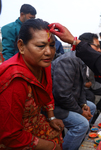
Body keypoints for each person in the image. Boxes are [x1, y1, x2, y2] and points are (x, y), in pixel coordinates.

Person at [0, 19, 64, 150]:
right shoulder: (15, 80)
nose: (49, 52)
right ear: (21, 46)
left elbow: (47, 91)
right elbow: (10, 135)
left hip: (34, 120)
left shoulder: (42, 64)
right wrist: (52, 147)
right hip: (13, 135)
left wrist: (51, 118)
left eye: (51, 45)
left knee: (58, 133)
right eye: (41, 46)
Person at [51, 48, 96, 150]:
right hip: (56, 105)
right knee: (82, 124)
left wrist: (84, 105)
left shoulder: (82, 61)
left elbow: (81, 89)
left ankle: (80, 140)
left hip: (68, 101)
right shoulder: (68, 61)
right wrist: (80, 111)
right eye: (96, 47)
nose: (99, 50)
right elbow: (62, 96)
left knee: (91, 106)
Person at [79, 32, 101, 113]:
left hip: (92, 84)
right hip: (81, 87)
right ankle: (88, 115)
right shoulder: (75, 59)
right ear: (86, 46)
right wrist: (84, 84)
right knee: (90, 96)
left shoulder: (93, 59)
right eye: (97, 46)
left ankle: (97, 110)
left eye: (99, 47)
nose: (99, 50)